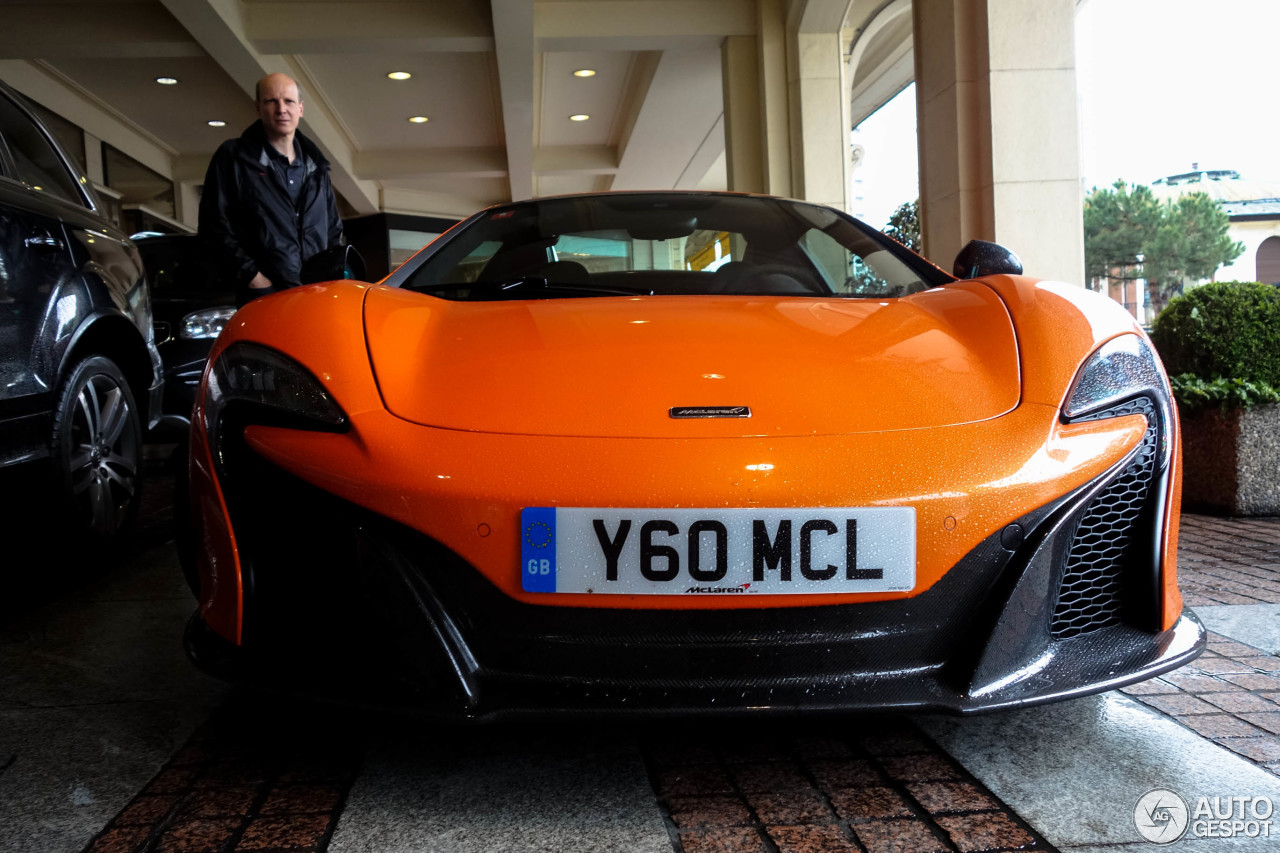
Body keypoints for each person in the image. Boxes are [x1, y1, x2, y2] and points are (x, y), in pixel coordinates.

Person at [199, 73, 343, 305]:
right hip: (263, 296)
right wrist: (254, 278)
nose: (281, 109)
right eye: (271, 101)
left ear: (301, 109)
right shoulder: (233, 157)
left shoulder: (317, 168)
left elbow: (333, 231)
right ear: (258, 107)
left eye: (288, 101)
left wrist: (329, 280)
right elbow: (214, 226)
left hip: (314, 298)